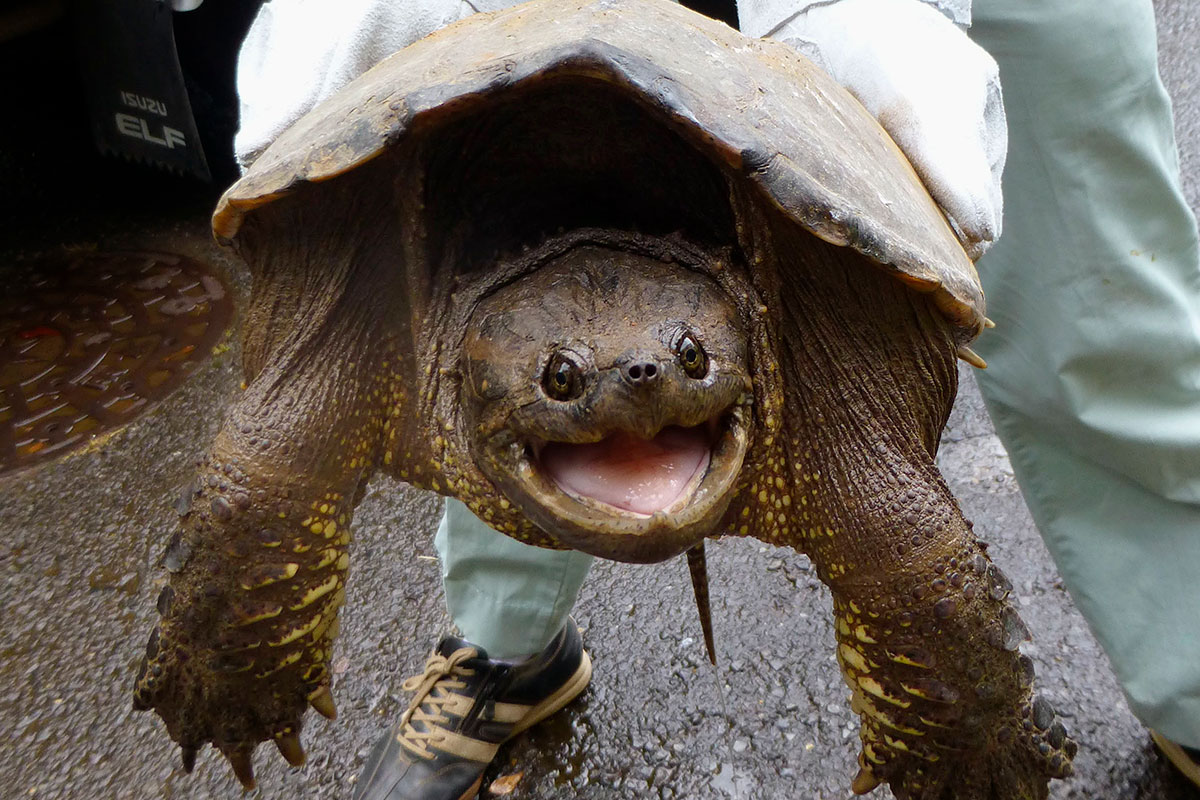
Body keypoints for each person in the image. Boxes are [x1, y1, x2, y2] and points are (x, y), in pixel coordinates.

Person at [232, 0, 1200, 797]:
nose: (645, 389)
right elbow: (259, 479)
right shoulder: (406, 363)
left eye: (685, 364)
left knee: (1099, 294)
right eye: (570, 377)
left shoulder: (818, 408)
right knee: (387, 373)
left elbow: (923, 576)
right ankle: (506, 643)